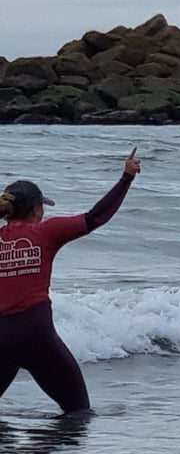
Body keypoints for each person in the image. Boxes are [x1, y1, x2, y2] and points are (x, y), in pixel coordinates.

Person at [0, 147, 142, 414]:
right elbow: (96, 217)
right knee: (78, 412)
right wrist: (126, 178)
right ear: (35, 210)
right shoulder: (46, 232)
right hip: (36, 336)